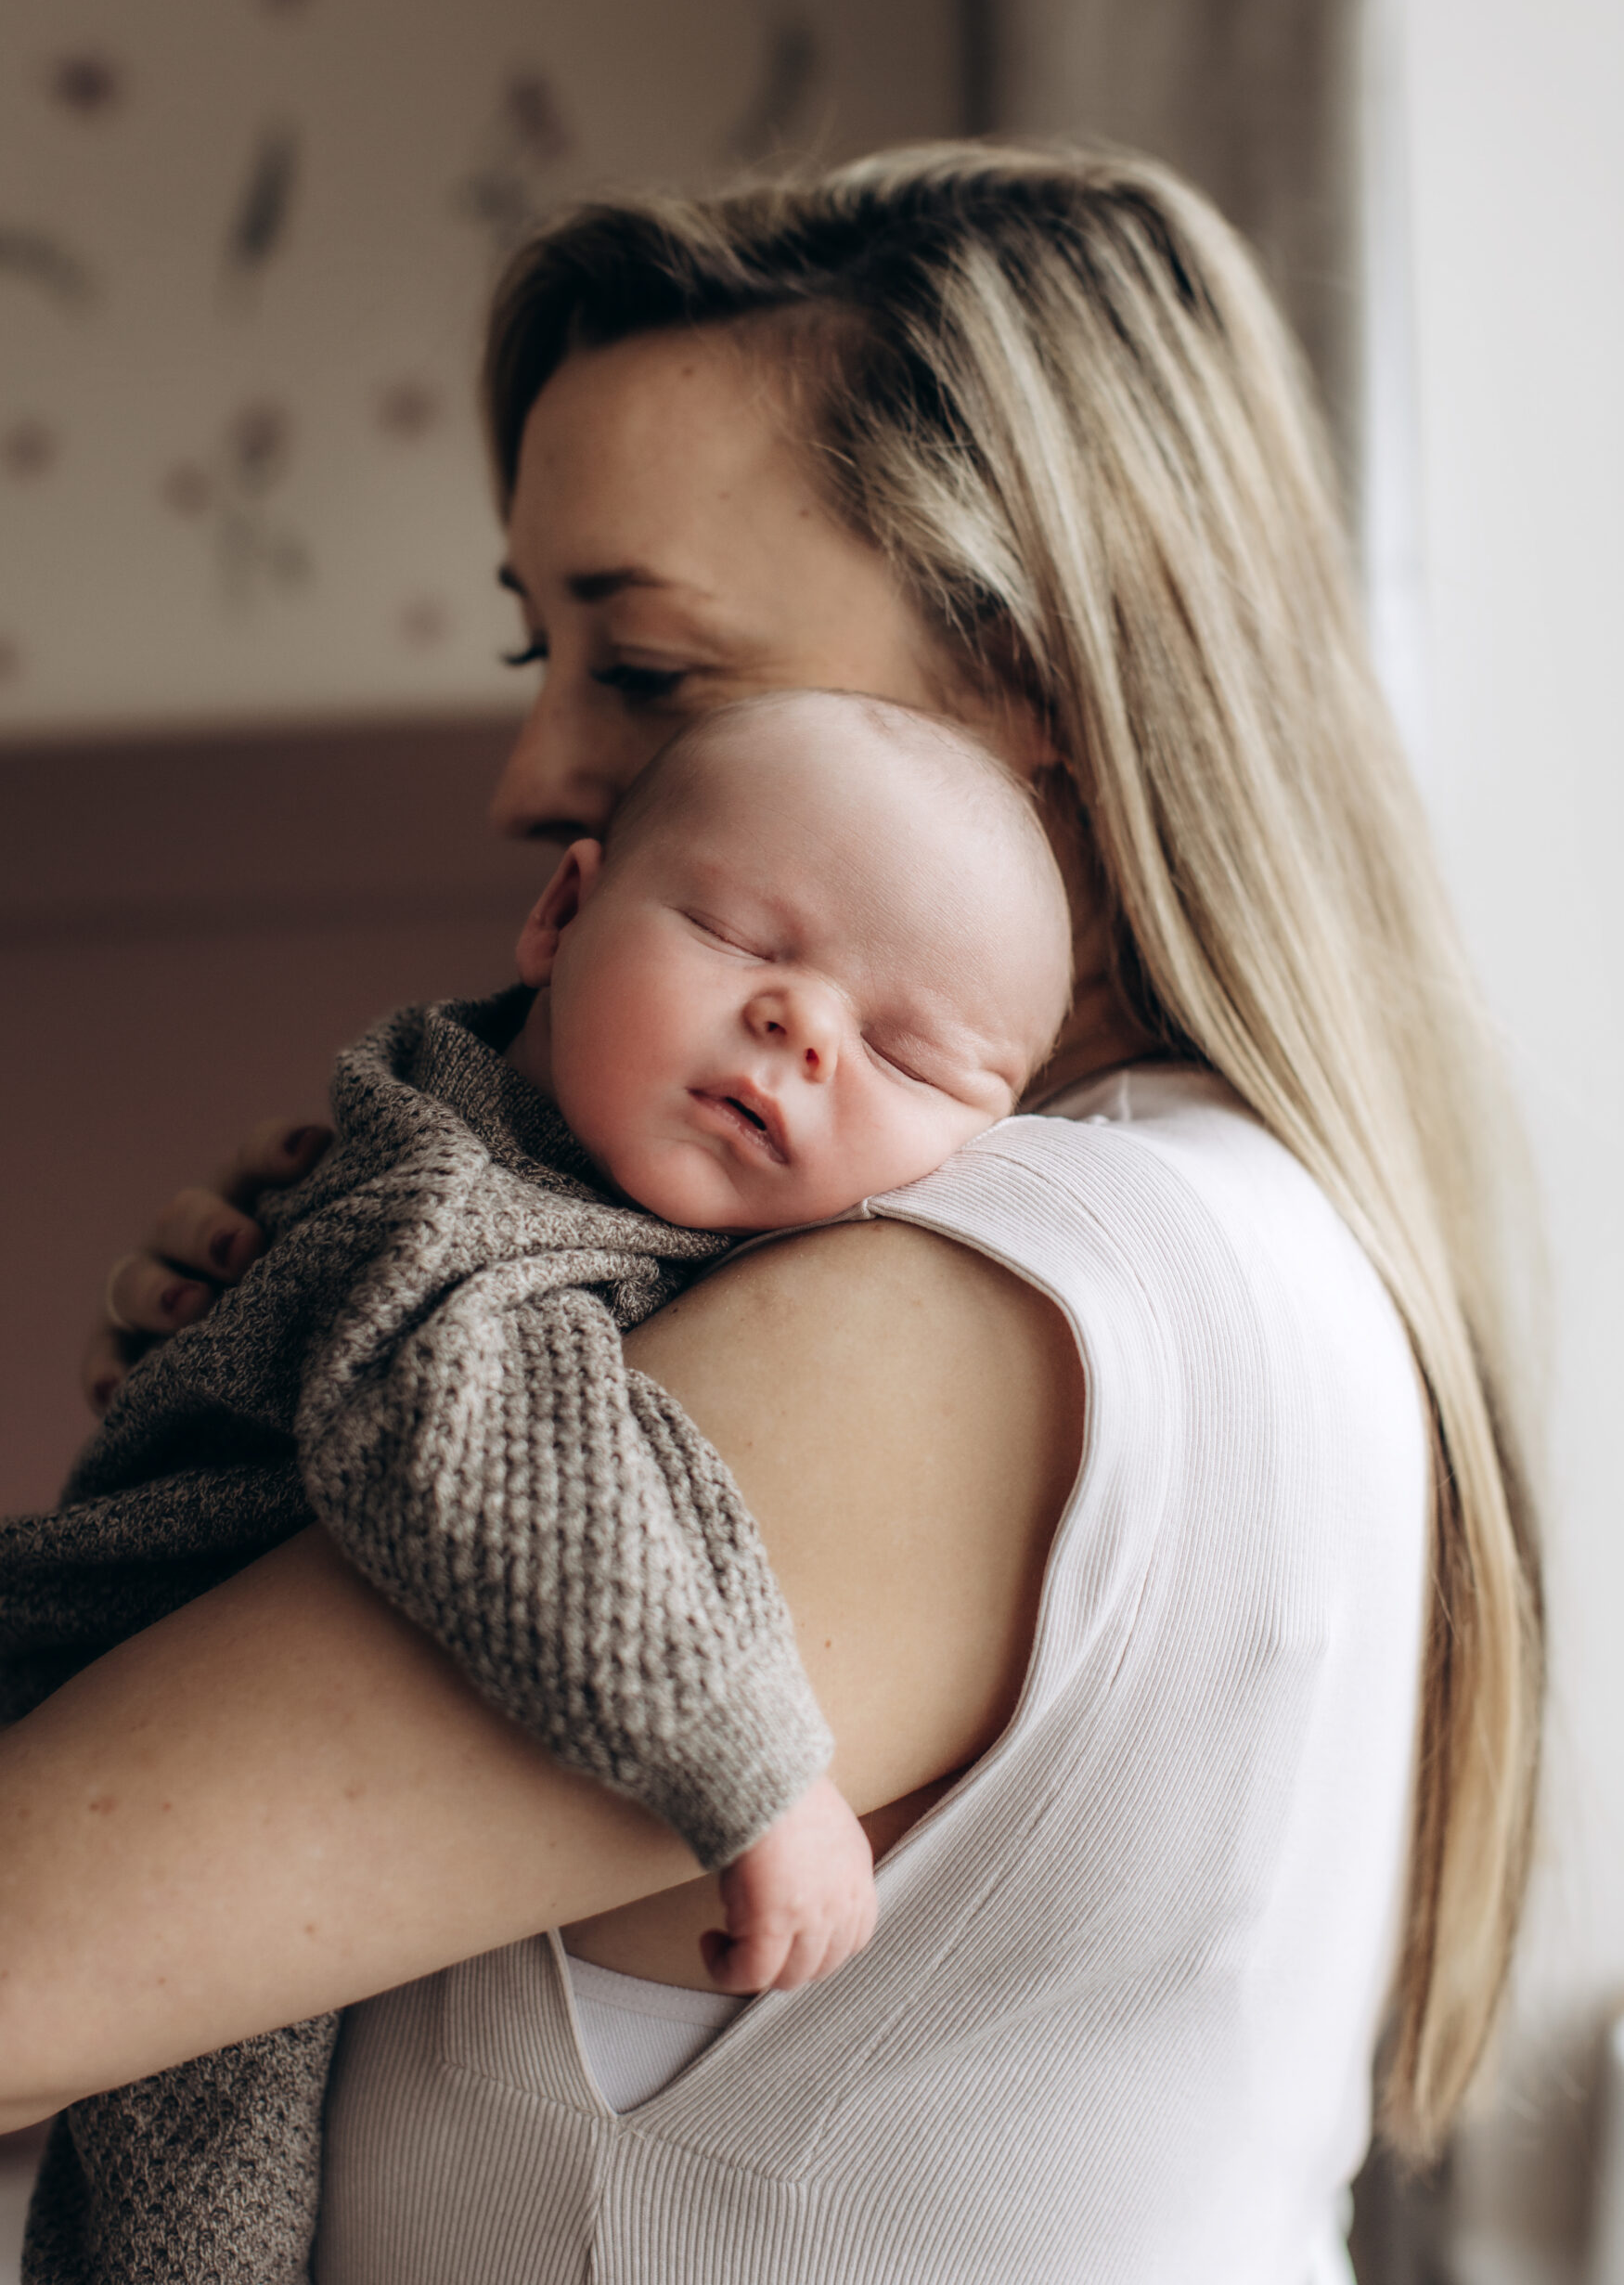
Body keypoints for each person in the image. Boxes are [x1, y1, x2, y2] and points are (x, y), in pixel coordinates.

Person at [1, 144, 1542, 2285]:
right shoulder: (1243, 1234)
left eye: (642, 671)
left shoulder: (954, 1314)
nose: (530, 771)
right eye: (535, 648)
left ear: (1039, 683)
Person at [3, 687, 1074, 2277]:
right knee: (191, 2222)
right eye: (734, 934)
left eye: (912, 1055)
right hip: (107, 1702)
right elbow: (484, 1463)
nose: (802, 1027)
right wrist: (749, 1766)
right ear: (562, 912)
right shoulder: (461, 1206)